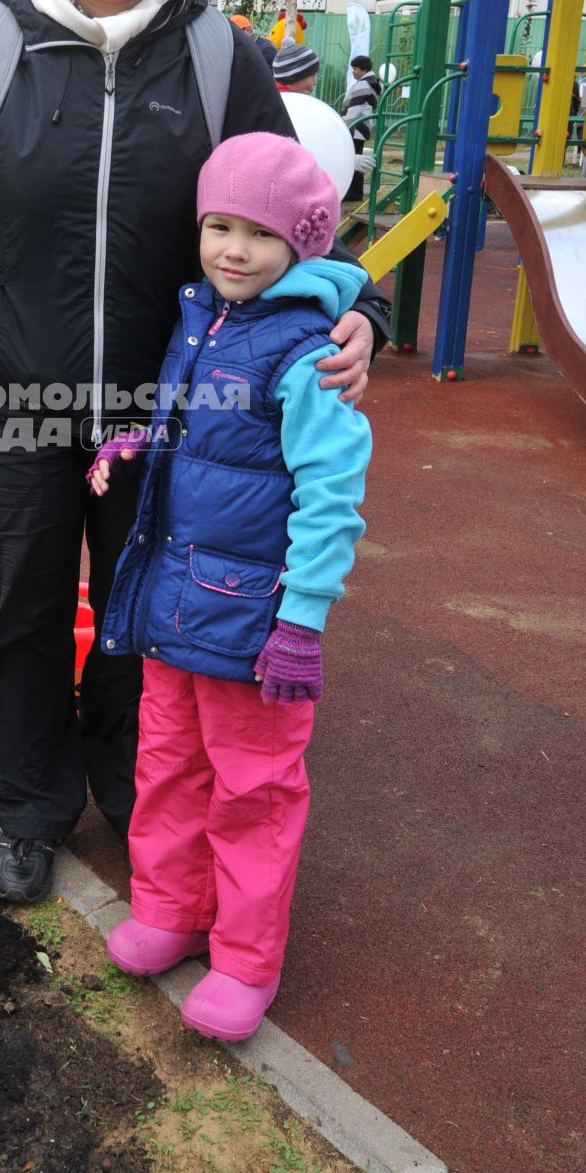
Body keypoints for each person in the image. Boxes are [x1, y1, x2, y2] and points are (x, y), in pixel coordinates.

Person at [0, 0, 388, 905]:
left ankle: (130, 794)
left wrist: (359, 307)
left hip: (173, 414)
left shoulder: (222, 60)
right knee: (18, 605)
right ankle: (26, 803)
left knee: (140, 615)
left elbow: (296, 217)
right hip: (14, 403)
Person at [94, 132, 371, 1042]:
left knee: (253, 791)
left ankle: (247, 958)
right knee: (166, 765)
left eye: (256, 233)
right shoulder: (205, 318)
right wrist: (137, 442)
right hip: (177, 606)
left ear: (303, 243)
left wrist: (301, 620)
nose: (231, 249)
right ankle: (170, 910)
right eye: (217, 226)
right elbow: (196, 428)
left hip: (254, 625)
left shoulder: (304, 355)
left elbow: (331, 497)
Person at [341, 64, 379, 204]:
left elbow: (354, 110)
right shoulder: (373, 83)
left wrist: (342, 126)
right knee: (357, 157)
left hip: (355, 127)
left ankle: (351, 192)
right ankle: (356, 192)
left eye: (356, 69)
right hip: (363, 127)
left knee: (351, 159)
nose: (353, 72)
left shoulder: (363, 85)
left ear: (364, 70)